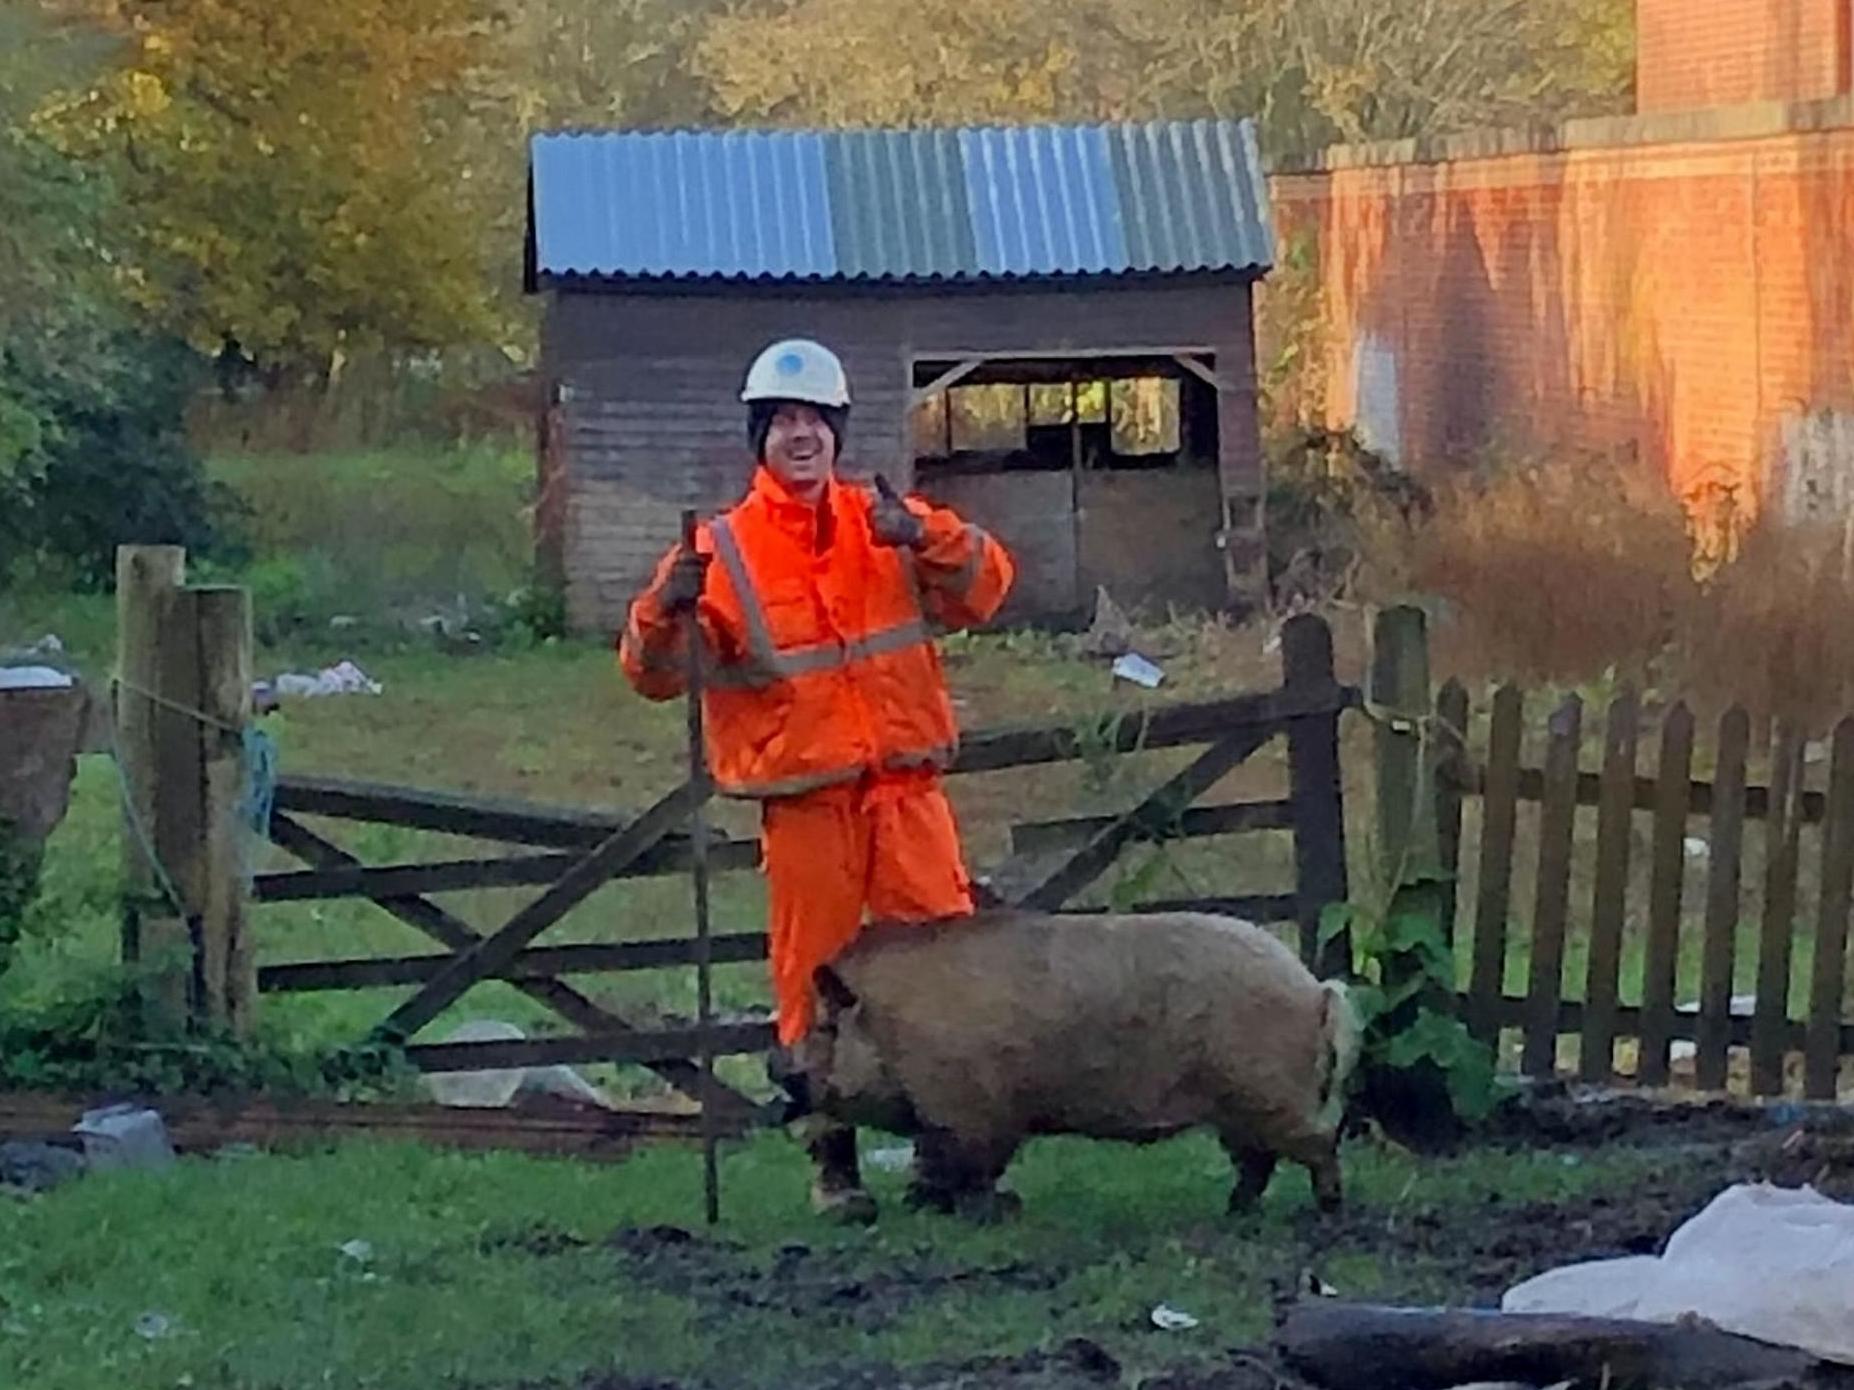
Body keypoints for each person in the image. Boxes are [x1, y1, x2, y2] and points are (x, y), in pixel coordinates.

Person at [618, 337, 1015, 1221]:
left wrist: (928, 536)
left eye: (816, 422)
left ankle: (945, 1161)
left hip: (909, 798)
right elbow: (653, 672)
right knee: (813, 992)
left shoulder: (891, 521)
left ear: (839, 431)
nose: (802, 437)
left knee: (946, 983)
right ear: (759, 437)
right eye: (784, 423)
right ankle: (832, 1168)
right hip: (808, 810)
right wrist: (665, 606)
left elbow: (989, 588)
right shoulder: (719, 549)